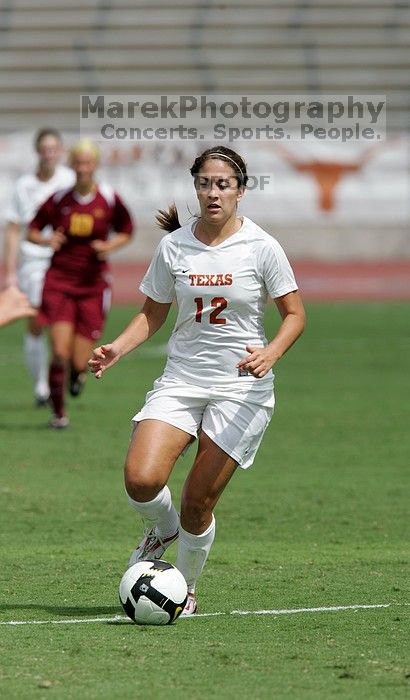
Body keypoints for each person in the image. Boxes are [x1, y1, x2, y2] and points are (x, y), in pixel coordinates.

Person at [89, 146, 306, 616]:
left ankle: (181, 590)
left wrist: (271, 352)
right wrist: (116, 350)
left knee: (196, 503)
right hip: (182, 380)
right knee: (140, 479)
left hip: (240, 390)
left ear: (241, 191)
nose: (213, 192)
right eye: (205, 183)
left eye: (223, 184)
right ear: (195, 188)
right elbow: (152, 312)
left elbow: (294, 315)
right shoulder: (174, 247)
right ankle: (161, 529)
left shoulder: (262, 247)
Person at [28, 139, 134, 429]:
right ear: (72, 165)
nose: (83, 168)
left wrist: (110, 246)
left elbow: (127, 229)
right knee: (59, 351)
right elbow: (33, 229)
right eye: (78, 162)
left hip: (92, 285)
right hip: (60, 281)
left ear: (95, 165)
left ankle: (78, 375)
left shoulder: (109, 198)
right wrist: (47, 239)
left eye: (88, 162)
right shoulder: (60, 198)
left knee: (78, 361)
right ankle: (59, 414)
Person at [3, 128, 75, 405]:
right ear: (37, 151)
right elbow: (13, 229)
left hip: (64, 261)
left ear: (60, 151)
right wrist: (9, 273)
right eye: (44, 148)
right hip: (33, 260)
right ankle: (40, 387)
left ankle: (63, 375)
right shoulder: (24, 185)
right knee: (36, 321)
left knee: (63, 321)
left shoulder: (70, 180)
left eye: (54, 148)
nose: (49, 153)